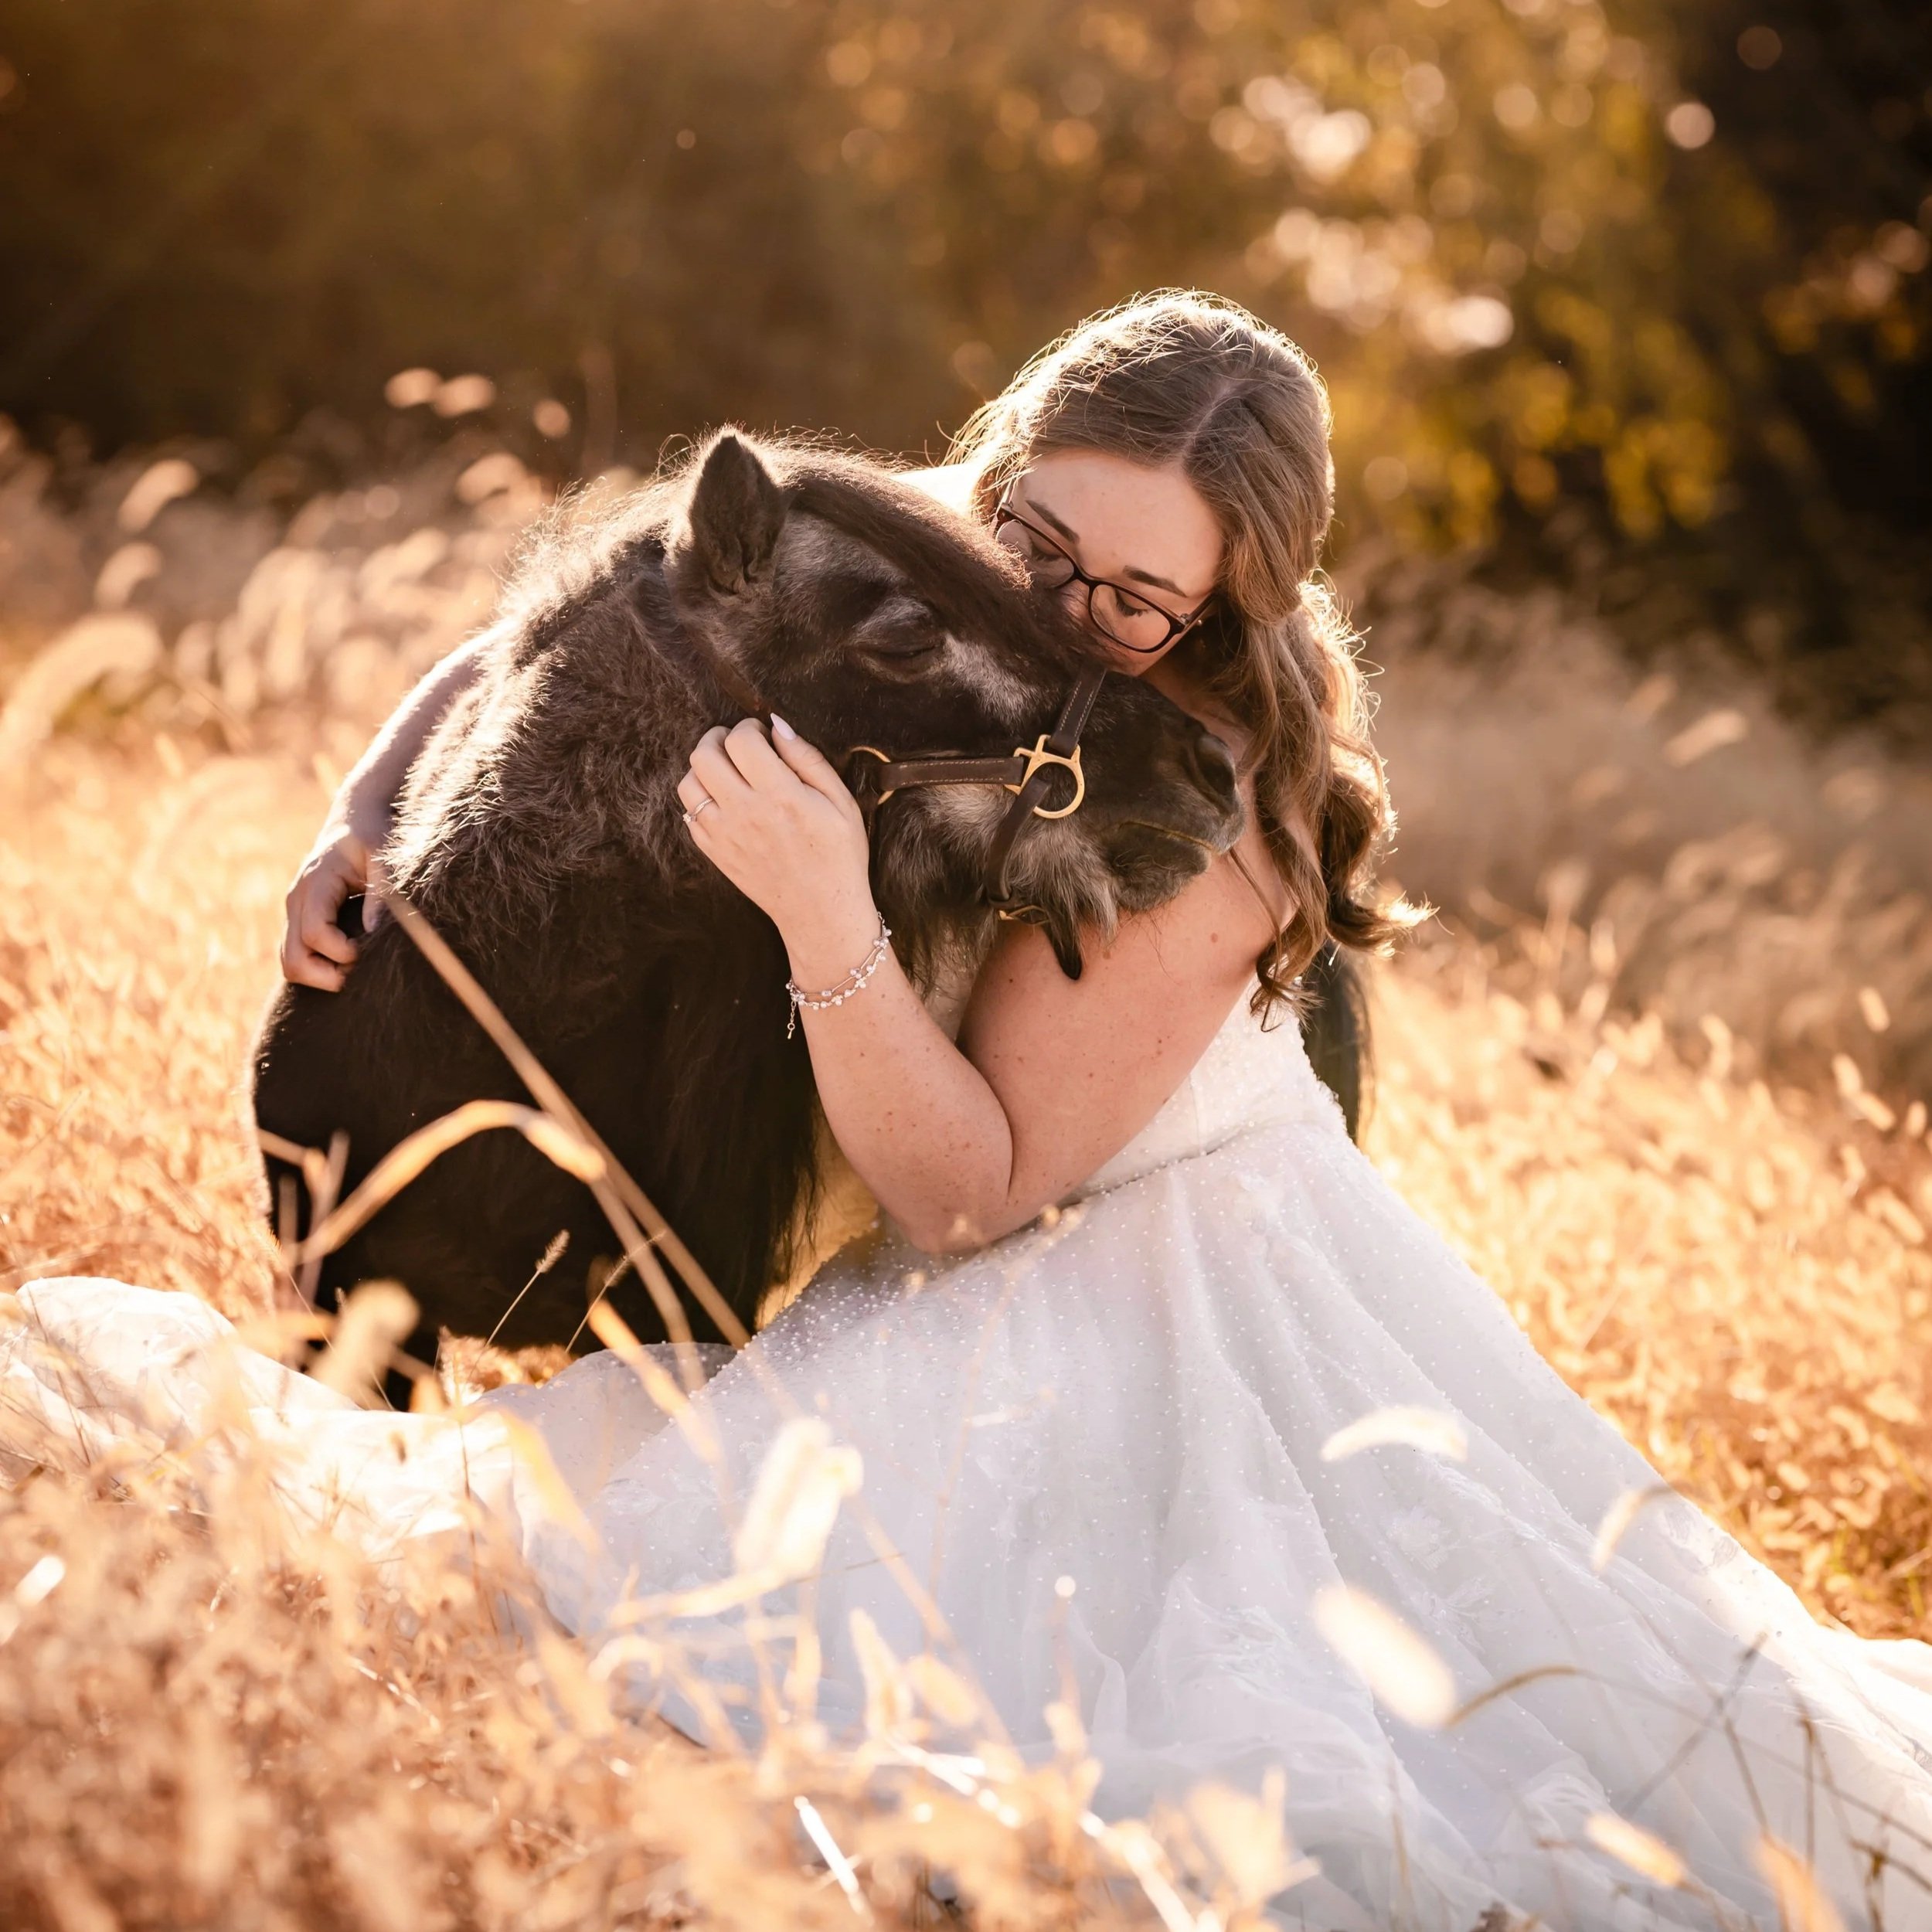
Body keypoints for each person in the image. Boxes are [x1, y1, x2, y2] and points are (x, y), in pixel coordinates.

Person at [16, 294, 1932, 1929]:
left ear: (1222, 604)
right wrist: (356, 826)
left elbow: (970, 1191)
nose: (1062, 606)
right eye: (1038, 541)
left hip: (1129, 1307)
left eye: (1133, 595)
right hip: (939, 1279)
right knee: (501, 1567)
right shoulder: (956, 563)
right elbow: (589, 626)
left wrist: (821, 904)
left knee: (1186, 1747)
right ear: (1002, 463)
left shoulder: (1209, 803)